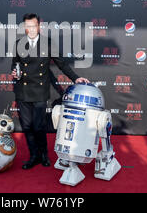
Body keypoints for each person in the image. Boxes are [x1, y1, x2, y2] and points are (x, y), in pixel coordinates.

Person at [10, 13, 90, 169]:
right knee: (27, 126)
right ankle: (34, 156)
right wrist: (14, 72)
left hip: (39, 90)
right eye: (28, 26)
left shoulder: (48, 44)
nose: (31, 29)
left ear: (39, 26)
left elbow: (62, 64)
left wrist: (76, 78)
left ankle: (44, 154)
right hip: (23, 90)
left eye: (33, 26)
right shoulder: (18, 44)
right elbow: (15, 65)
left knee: (39, 126)